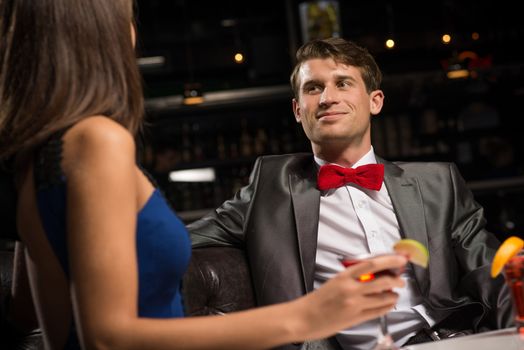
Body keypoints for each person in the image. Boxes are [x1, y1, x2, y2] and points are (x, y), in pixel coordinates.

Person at [0, 1, 409, 349]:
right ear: (104, 33)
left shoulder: (37, 154)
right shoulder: (98, 140)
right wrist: (306, 316)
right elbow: (107, 338)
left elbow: (25, 307)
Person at [188, 37, 513, 349]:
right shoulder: (271, 187)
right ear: (298, 110)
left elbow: (493, 271)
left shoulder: (437, 183)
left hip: (453, 339)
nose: (327, 97)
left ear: (375, 101)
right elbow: (176, 240)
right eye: (313, 88)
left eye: (343, 83)